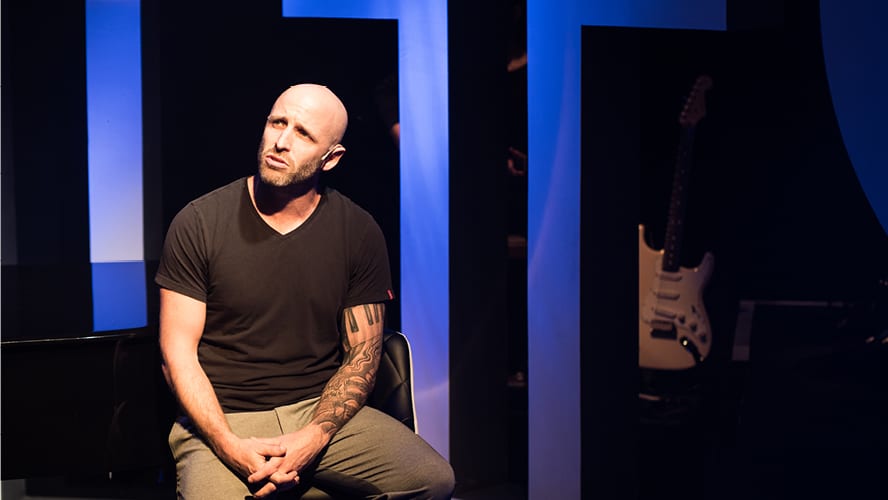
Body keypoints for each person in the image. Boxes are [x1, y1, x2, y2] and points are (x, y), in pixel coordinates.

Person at [156, 83, 455, 499]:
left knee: (433, 479)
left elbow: (362, 357)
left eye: (303, 134)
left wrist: (314, 436)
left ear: (331, 158)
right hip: (225, 417)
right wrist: (231, 446)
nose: (281, 141)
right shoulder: (199, 222)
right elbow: (177, 357)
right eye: (278, 122)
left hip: (318, 411)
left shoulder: (359, 231)